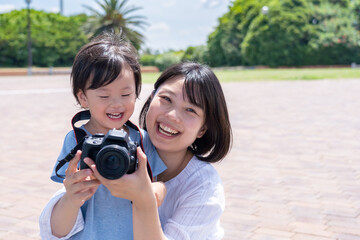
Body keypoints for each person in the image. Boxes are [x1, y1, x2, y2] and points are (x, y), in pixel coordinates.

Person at [39, 32, 167, 239]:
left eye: (126, 94)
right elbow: (59, 226)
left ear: (136, 92)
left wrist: (158, 190)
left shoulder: (142, 140)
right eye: (104, 95)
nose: (116, 104)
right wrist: (73, 196)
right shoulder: (77, 140)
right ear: (83, 98)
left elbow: (159, 185)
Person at [84, 62, 233, 239]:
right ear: (152, 97)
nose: (172, 115)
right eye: (166, 99)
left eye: (191, 110)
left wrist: (143, 200)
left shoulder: (203, 186)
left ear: (203, 129)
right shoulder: (119, 151)